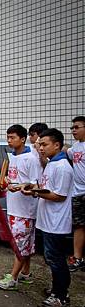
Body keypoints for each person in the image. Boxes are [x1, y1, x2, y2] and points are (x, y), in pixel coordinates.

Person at [23, 128, 74, 307]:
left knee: (56, 259)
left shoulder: (62, 167)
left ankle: (60, 297)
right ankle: (57, 290)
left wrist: (35, 192)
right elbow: (47, 187)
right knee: (51, 258)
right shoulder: (52, 163)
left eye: (44, 144)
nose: (41, 148)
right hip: (48, 221)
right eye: (40, 144)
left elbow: (59, 195)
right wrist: (33, 188)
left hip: (57, 222)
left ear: (57, 145)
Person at [0, 124, 41, 290]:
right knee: (25, 244)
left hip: (26, 210)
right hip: (14, 207)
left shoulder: (31, 158)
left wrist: (20, 186)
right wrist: (6, 183)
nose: (9, 140)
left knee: (19, 245)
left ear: (23, 139)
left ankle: (13, 278)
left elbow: (37, 183)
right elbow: (10, 179)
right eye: (8, 137)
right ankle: (26, 274)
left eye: (12, 137)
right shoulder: (12, 157)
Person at [68, 116, 85, 272]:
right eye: (72, 128)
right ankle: (77, 257)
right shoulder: (76, 147)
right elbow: (65, 150)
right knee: (79, 225)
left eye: (77, 127)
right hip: (77, 192)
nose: (73, 130)